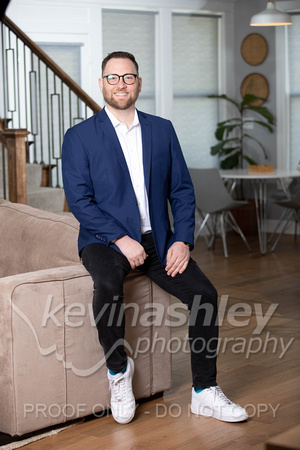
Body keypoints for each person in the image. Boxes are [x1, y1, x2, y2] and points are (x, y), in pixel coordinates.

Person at [62, 51, 248, 425]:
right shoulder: (79, 137)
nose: (120, 85)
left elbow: (181, 190)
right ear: (101, 84)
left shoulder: (162, 129)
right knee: (107, 284)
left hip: (159, 240)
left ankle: (204, 391)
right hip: (103, 239)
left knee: (205, 295)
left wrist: (182, 239)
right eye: (112, 78)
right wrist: (119, 238)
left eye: (128, 77)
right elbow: (80, 201)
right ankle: (118, 371)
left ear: (139, 83)